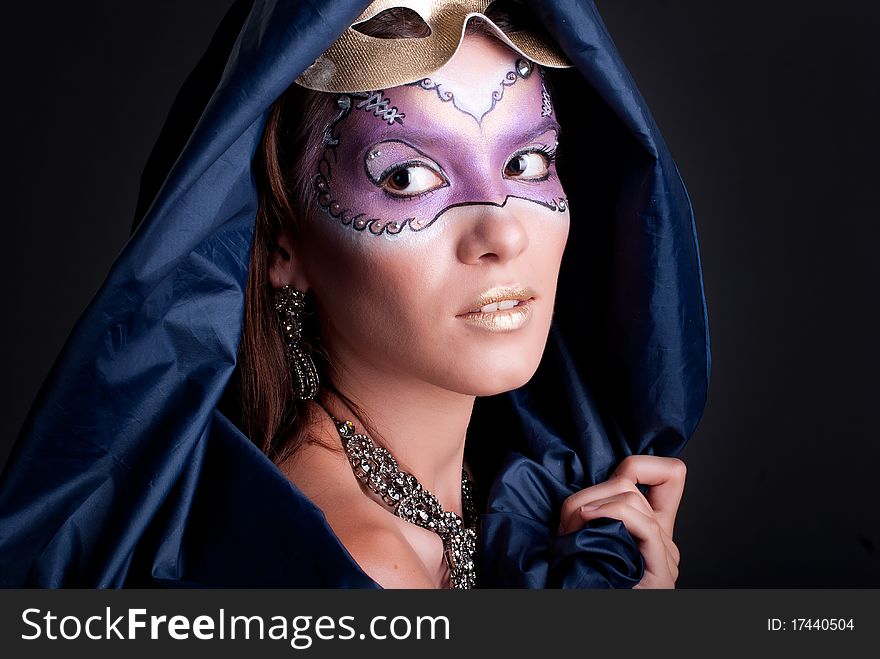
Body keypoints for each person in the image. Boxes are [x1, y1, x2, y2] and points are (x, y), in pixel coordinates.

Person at [0, 0, 710, 589]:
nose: (502, 231)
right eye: (407, 178)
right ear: (285, 247)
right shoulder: (356, 563)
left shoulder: (511, 489)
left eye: (528, 162)